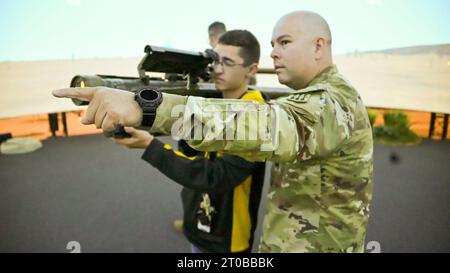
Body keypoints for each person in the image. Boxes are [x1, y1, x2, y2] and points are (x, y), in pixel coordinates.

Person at [53, 11, 374, 253]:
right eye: (274, 43)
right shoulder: (313, 96)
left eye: (285, 42)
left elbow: (271, 126)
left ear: (319, 46)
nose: (274, 52)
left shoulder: (334, 100)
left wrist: (147, 108)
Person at [112, 30, 266, 253]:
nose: (218, 69)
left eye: (228, 63)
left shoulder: (256, 112)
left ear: (251, 70)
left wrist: (150, 146)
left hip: (227, 238)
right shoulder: (212, 102)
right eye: (215, 61)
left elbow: (216, 175)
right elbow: (192, 155)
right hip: (197, 224)